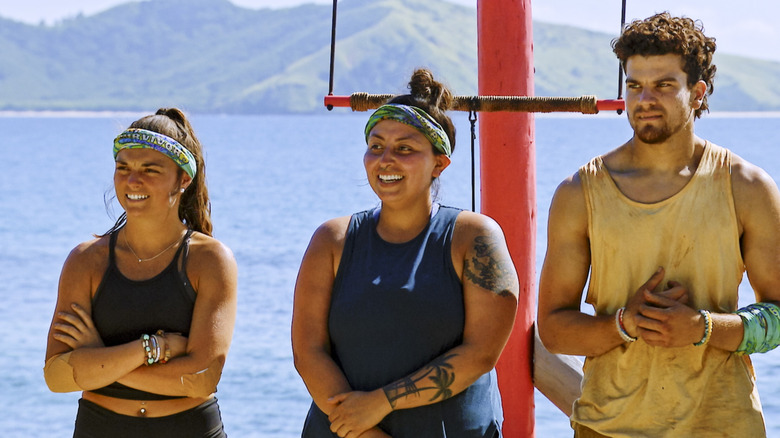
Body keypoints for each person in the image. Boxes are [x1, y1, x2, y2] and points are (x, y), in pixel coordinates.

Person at [537, 12, 780, 437]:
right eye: (634, 85)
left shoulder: (746, 186)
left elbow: (778, 315)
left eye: (664, 85)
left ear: (697, 93)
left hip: (723, 426)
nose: (645, 98)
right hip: (607, 427)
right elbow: (554, 329)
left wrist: (702, 328)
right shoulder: (580, 193)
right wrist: (623, 325)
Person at [292, 69, 519, 438]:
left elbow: (481, 353)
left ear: (439, 163)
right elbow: (308, 352)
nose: (385, 160)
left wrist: (380, 403)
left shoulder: (474, 237)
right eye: (376, 146)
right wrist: (362, 430)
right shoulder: (331, 240)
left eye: (405, 149)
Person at [44, 108, 238, 437]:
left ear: (183, 179)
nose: (133, 180)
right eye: (124, 168)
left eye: (150, 169)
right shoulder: (85, 261)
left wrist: (97, 360)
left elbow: (202, 380)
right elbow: (56, 377)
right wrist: (154, 348)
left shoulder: (210, 260)